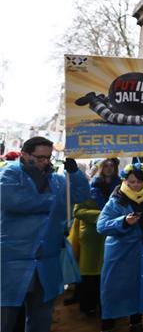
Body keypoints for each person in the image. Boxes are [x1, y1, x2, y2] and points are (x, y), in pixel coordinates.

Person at [0, 136, 90, 332]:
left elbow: (81, 195)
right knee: (5, 319)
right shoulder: (10, 174)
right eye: (40, 157)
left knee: (41, 319)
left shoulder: (57, 180)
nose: (45, 162)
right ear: (24, 155)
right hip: (13, 261)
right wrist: (53, 202)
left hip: (46, 262)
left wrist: (74, 173)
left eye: (48, 157)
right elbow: (13, 201)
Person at [97, 162, 143, 332]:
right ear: (125, 181)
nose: (135, 185)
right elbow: (101, 225)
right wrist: (123, 221)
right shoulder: (116, 200)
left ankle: (136, 323)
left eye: (139, 181)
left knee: (140, 286)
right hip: (120, 253)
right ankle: (107, 325)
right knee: (114, 289)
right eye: (131, 182)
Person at [73, 158, 121, 316]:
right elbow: (78, 211)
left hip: (113, 235)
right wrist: (102, 215)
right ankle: (88, 306)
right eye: (105, 165)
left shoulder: (123, 188)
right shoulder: (89, 187)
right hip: (92, 236)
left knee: (110, 272)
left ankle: (107, 307)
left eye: (111, 165)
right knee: (90, 273)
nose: (108, 168)